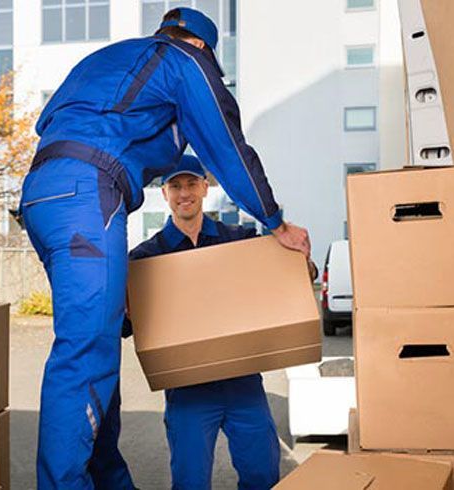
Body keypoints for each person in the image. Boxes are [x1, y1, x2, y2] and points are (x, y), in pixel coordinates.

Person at [19, 7, 311, 489]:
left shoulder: (110, 60)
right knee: (86, 354)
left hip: (43, 196)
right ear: (202, 47)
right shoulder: (183, 60)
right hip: (88, 193)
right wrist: (274, 219)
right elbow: (226, 144)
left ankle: (111, 482)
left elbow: (49, 125)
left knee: (98, 346)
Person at [128, 155, 315, 489]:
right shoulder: (146, 258)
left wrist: (304, 265)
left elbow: (280, 278)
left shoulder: (238, 240)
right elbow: (128, 327)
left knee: (263, 474)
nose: (184, 193)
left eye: (190, 184)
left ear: (205, 187)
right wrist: (123, 309)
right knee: (190, 482)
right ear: (164, 194)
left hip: (243, 382)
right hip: (188, 390)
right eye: (175, 186)